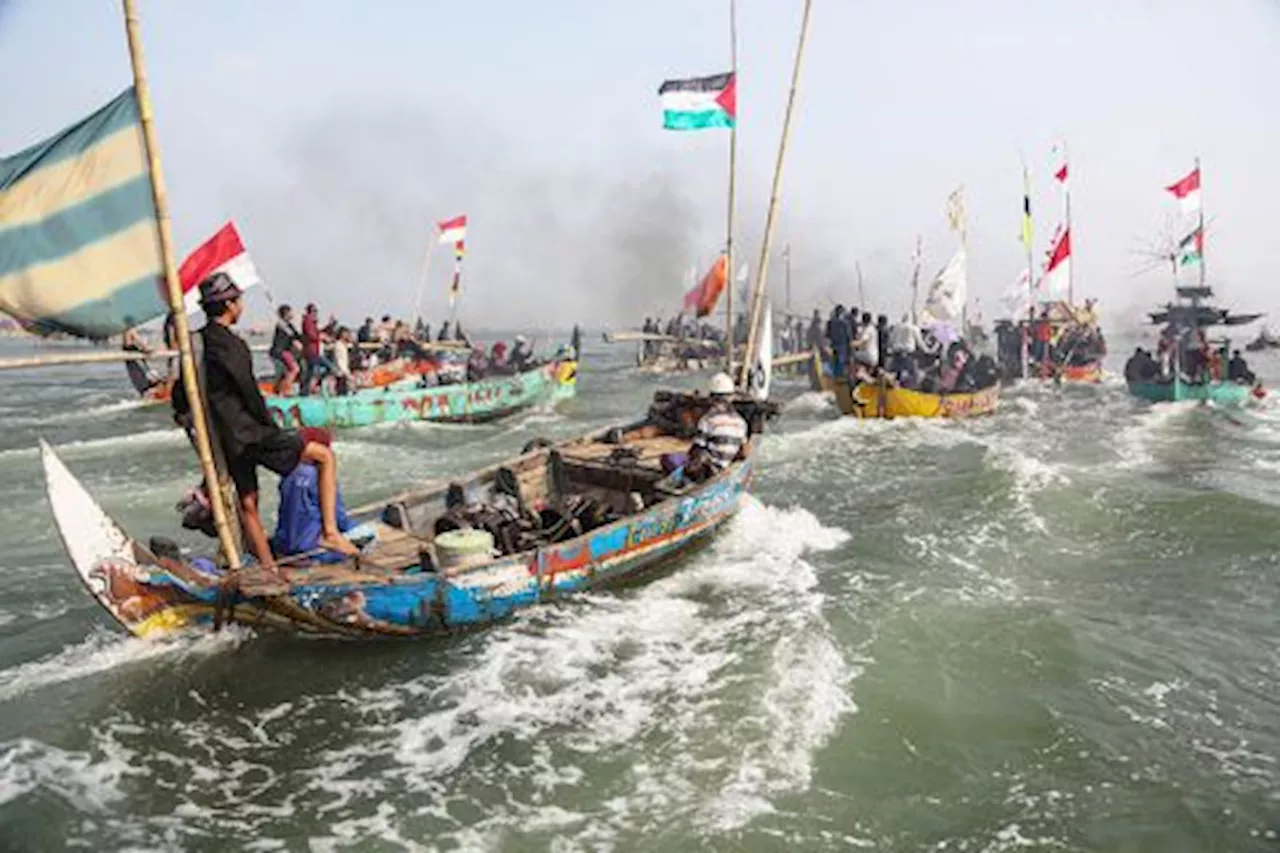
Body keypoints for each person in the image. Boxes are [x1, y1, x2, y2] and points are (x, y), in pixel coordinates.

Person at [171, 273, 357, 567]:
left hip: (224, 438)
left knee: (248, 505)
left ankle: (269, 569)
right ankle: (331, 533)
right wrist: (272, 428)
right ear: (230, 305)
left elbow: (182, 393)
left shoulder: (195, 344)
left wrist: (184, 416)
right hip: (250, 433)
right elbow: (249, 393)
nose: (242, 306)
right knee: (324, 456)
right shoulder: (232, 345)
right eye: (240, 301)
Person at [269, 304, 303, 396]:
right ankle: (286, 390)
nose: (292, 314)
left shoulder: (289, 326)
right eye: (290, 312)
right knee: (295, 369)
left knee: (285, 372)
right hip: (280, 351)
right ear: (286, 313)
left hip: (283, 352)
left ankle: (279, 391)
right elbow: (290, 334)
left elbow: (298, 336)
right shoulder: (281, 325)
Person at [300, 304, 332, 396]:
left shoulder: (311, 322)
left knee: (310, 372)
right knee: (329, 367)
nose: (316, 313)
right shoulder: (308, 321)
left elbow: (316, 332)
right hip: (311, 351)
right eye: (314, 311)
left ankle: (305, 391)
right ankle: (314, 386)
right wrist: (321, 337)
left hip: (313, 351)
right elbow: (312, 335)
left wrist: (328, 326)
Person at [121, 327, 164, 396]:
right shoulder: (132, 355)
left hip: (148, 383)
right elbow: (129, 332)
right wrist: (145, 347)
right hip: (146, 386)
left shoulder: (137, 355)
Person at [850, 311, 879, 376]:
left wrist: (850, 344)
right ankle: (862, 372)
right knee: (858, 354)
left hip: (868, 355)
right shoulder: (872, 328)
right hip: (872, 355)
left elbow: (862, 342)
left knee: (852, 355)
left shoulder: (868, 330)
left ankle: (857, 374)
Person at [332, 327, 355, 395]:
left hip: (344, 371)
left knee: (345, 390)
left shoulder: (344, 344)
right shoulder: (338, 345)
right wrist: (346, 372)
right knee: (341, 390)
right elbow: (339, 360)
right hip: (340, 372)